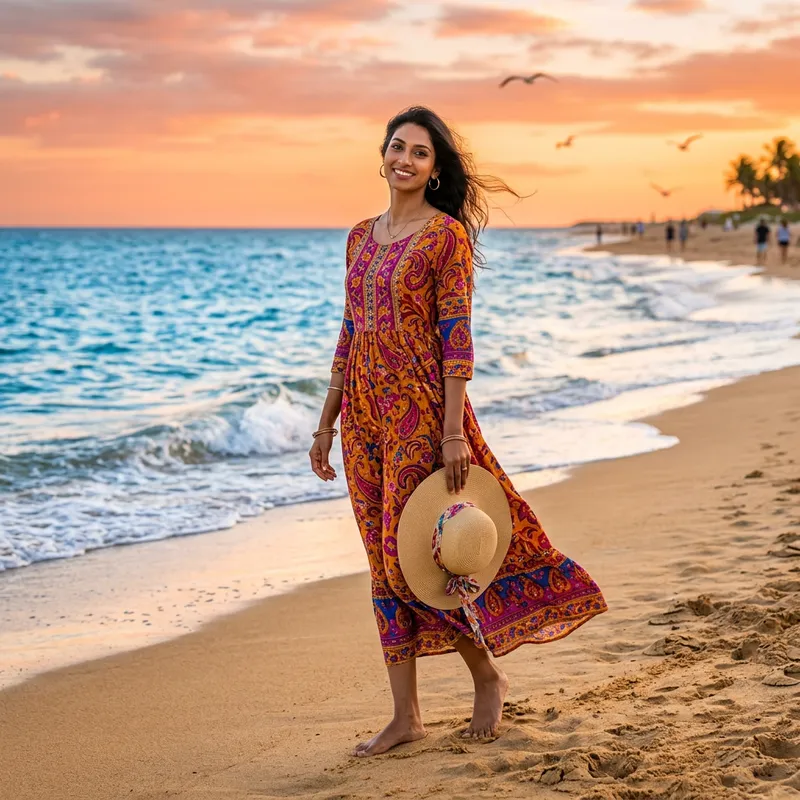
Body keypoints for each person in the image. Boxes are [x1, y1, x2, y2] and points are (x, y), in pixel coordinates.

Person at [309, 106, 607, 757]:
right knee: (380, 569)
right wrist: (326, 420)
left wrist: (451, 432)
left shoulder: (445, 238)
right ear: (381, 155)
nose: (405, 160)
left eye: (420, 152)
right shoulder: (360, 238)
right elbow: (349, 328)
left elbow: (456, 340)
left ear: (435, 168)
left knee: (414, 559)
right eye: (397, 147)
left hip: (420, 415)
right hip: (363, 419)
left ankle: (486, 676)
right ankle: (406, 716)